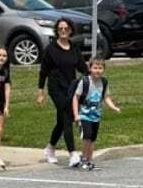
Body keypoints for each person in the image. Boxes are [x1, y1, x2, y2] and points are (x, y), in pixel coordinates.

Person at [37, 17, 88, 167]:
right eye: (60, 29)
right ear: (57, 31)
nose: (63, 31)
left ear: (71, 30)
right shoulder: (51, 49)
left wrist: (92, 76)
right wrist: (40, 92)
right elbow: (43, 71)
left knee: (61, 121)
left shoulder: (73, 47)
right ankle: (72, 153)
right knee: (67, 116)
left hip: (70, 87)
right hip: (55, 88)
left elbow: (81, 67)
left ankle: (50, 148)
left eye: (66, 29)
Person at [72, 57, 121, 171]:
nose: (97, 70)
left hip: (96, 116)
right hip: (84, 115)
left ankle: (89, 161)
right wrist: (76, 114)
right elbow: (76, 98)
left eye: (100, 68)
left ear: (103, 69)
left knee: (92, 139)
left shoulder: (103, 82)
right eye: (95, 68)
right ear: (90, 68)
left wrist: (113, 107)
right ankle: (83, 160)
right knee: (87, 137)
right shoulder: (84, 81)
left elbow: (106, 97)